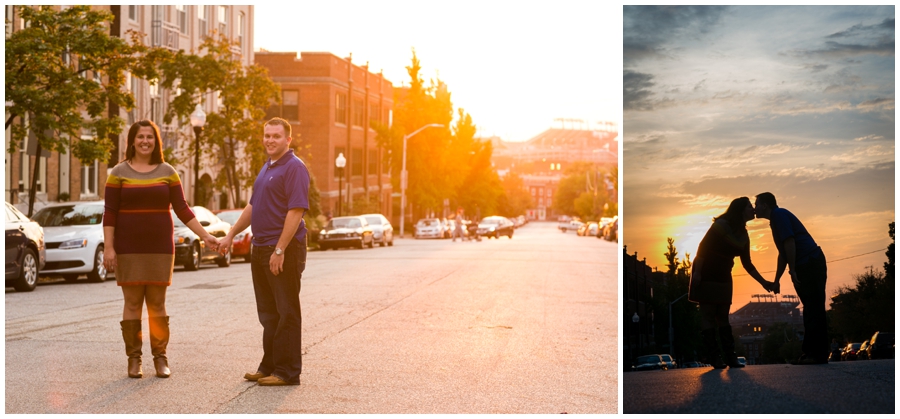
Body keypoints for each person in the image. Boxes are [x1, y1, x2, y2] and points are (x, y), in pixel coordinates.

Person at [103, 120, 219, 379]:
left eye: (150, 137)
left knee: (157, 304)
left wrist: (206, 236)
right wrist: (109, 248)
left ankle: (160, 357)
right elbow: (109, 213)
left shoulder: (168, 171)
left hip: (159, 247)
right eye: (140, 136)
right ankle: (134, 360)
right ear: (132, 141)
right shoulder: (118, 172)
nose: (145, 141)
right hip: (127, 248)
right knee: (132, 303)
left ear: (156, 142)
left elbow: (183, 209)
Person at [217, 117, 309, 386]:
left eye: (276, 136)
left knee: (287, 312)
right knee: (268, 313)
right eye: (267, 135)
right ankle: (269, 365)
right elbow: (253, 207)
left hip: (283, 250)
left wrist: (279, 249)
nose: (270, 140)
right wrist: (231, 234)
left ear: (288, 140)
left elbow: (296, 211)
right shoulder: (267, 167)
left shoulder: (294, 167)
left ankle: (287, 371)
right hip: (260, 247)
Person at [689, 197, 773, 369]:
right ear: (741, 209)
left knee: (723, 318)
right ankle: (715, 358)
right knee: (708, 316)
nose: (753, 209)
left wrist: (764, 282)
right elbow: (702, 247)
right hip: (705, 273)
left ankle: (730, 357)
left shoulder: (743, 235)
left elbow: (747, 264)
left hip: (724, 277)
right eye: (750, 206)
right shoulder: (722, 224)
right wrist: (697, 272)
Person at [754, 192, 828, 364]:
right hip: (806, 263)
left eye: (756, 204)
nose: (755, 207)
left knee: (813, 308)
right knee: (811, 308)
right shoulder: (776, 219)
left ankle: (816, 354)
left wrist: (793, 270)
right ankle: (810, 352)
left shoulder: (779, 215)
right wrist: (777, 279)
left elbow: (789, 242)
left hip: (810, 262)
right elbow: (783, 254)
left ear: (765, 205)